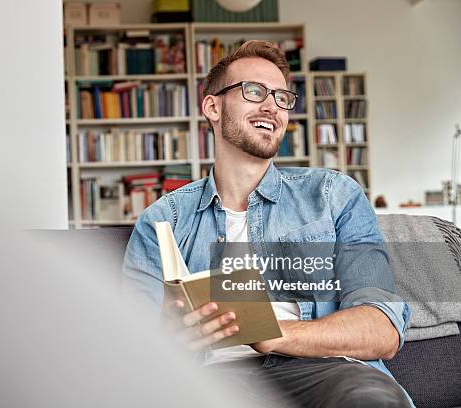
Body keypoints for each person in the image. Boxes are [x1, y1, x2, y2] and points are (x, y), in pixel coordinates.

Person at [122, 40, 413, 408]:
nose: (272, 106)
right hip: (211, 381)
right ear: (213, 106)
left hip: (322, 371)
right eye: (254, 91)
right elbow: (130, 350)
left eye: (282, 97)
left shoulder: (334, 196)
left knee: (369, 399)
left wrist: (275, 334)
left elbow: (380, 329)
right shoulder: (163, 220)